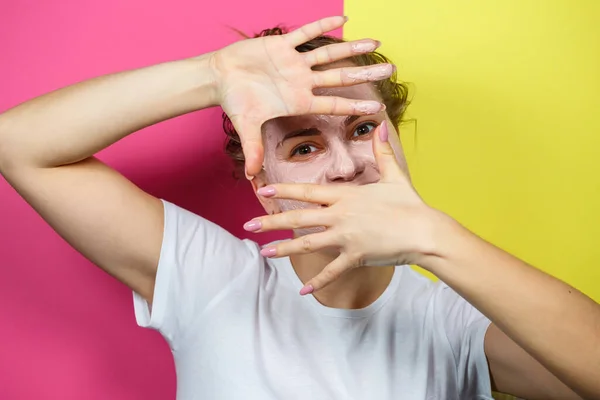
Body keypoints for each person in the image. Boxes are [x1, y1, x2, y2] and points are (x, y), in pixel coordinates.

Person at [0, 15, 598, 400]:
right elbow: (18, 145)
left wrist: (436, 239)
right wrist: (212, 75)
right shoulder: (215, 279)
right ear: (264, 181)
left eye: (363, 128)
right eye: (304, 145)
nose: (344, 166)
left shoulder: (457, 321)